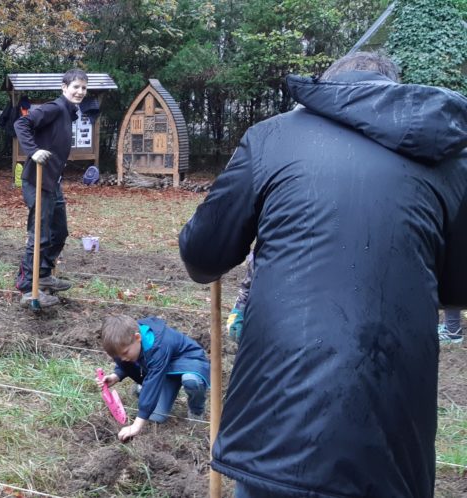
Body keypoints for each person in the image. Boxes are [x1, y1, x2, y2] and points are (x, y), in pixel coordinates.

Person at [178, 52, 467, 497]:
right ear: (393, 89)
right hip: (393, 441)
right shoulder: (448, 160)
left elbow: (202, 255)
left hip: (276, 427)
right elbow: (457, 288)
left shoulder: (272, 138)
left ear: (329, 89)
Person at [12, 69, 87, 308]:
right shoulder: (55, 108)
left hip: (52, 181)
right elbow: (21, 123)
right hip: (37, 180)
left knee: (59, 232)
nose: (80, 92)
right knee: (39, 235)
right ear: (64, 87)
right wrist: (33, 151)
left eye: (84, 88)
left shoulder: (69, 112)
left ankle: (43, 274)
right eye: (75, 86)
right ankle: (26, 287)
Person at [97, 314, 210, 441]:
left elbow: (153, 381)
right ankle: (142, 389)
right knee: (157, 417)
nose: (123, 358)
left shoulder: (158, 345)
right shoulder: (128, 341)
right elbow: (127, 361)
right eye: (119, 356)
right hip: (165, 372)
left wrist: (136, 426)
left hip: (190, 362)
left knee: (191, 380)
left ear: (138, 337)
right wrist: (116, 376)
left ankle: (196, 410)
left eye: (124, 353)